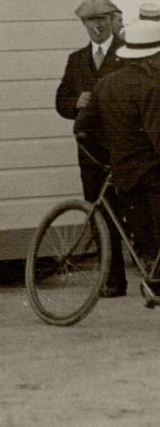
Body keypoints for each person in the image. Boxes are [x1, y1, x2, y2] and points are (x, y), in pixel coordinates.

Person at [75, 19, 160, 300]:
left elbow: (82, 129)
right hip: (152, 174)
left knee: (145, 235)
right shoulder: (151, 87)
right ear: (151, 58)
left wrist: (106, 159)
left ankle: (153, 281)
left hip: (123, 174)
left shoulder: (105, 84)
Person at [56, 0, 127, 295]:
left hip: (125, 147)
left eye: (101, 20)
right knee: (100, 214)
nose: (96, 26)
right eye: (89, 21)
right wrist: (76, 102)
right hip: (90, 153)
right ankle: (113, 279)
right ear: (83, 25)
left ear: (113, 21)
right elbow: (60, 102)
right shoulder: (76, 60)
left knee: (137, 211)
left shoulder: (128, 55)